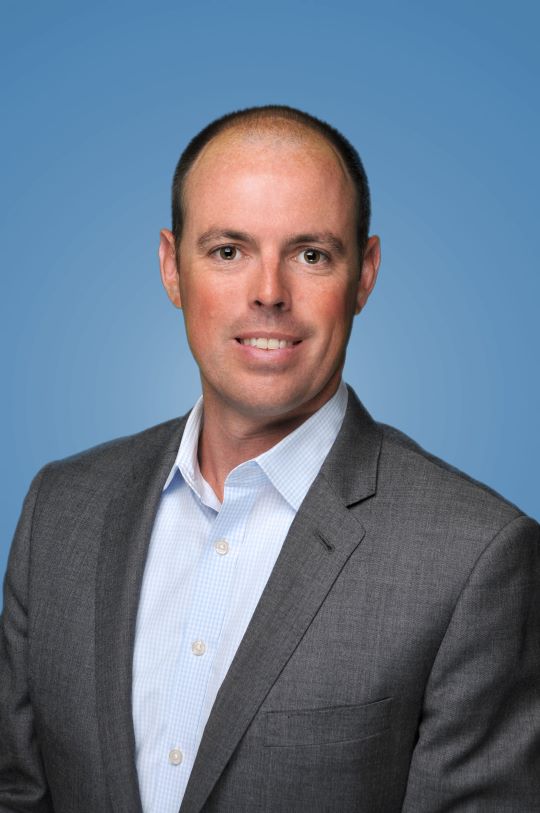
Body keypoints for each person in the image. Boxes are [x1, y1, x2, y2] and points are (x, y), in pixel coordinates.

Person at [0, 105, 538, 813]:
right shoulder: (59, 511)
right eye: (229, 251)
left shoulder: (476, 558)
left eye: (311, 254)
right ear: (171, 267)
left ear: (365, 275)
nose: (269, 293)